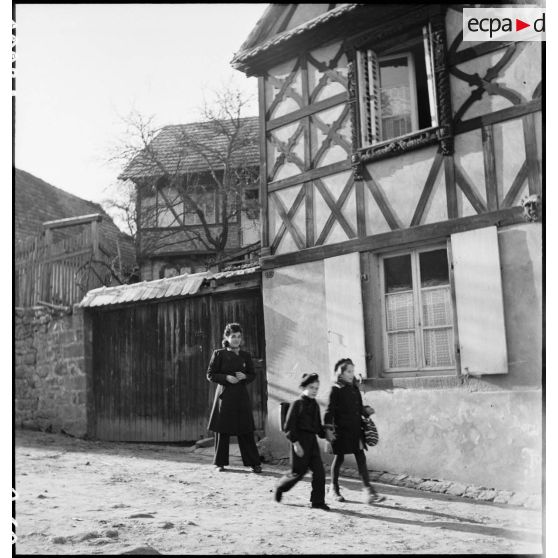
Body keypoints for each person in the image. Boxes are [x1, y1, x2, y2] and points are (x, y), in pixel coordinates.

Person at [324, 358, 385, 504]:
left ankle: (368, 491)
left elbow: (357, 408)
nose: (352, 374)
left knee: (361, 458)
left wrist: (366, 411)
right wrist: (328, 431)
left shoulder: (354, 387)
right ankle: (334, 488)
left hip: (356, 430)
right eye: (348, 371)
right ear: (341, 373)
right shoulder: (336, 389)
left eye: (353, 371)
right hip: (341, 430)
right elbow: (329, 411)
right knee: (339, 458)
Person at [207, 322, 262, 473]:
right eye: (233, 336)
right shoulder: (219, 354)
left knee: (245, 428)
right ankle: (220, 463)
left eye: (238, 336)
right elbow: (210, 374)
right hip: (224, 395)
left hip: (241, 395)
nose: (236, 339)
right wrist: (226, 378)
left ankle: (254, 463)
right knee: (222, 429)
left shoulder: (245, 355)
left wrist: (245, 376)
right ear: (227, 337)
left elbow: (252, 375)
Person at [274, 373, 334, 510]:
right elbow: (288, 427)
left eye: (316, 388)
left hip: (312, 443)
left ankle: (318, 502)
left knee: (319, 472)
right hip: (299, 442)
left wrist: (327, 435)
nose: (314, 390)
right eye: (311, 387)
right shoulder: (297, 404)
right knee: (297, 473)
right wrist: (295, 444)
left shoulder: (315, 405)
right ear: (303, 388)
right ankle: (280, 487)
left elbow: (318, 427)